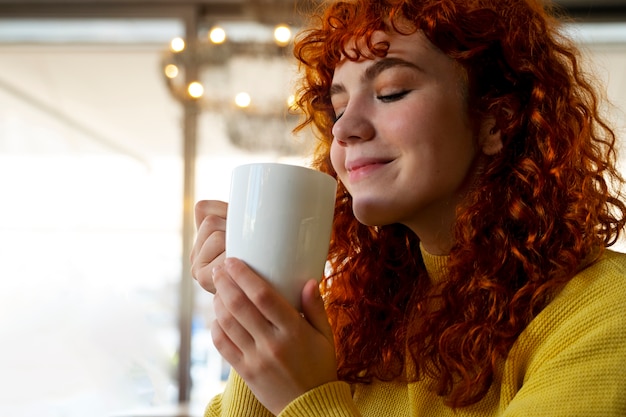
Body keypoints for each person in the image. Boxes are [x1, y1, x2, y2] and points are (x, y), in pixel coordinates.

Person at [190, 0, 626, 415]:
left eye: (392, 92)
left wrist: (308, 400)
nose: (344, 129)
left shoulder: (607, 313)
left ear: (498, 120)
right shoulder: (358, 319)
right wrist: (266, 295)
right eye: (338, 107)